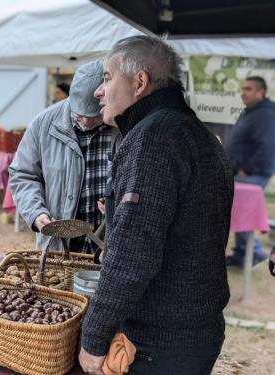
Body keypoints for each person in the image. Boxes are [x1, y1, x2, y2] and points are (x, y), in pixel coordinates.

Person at [79, 36, 234, 375]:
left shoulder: (153, 138)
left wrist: (93, 338)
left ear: (140, 82)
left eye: (107, 78)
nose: (98, 91)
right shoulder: (197, 132)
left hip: (163, 340)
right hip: (194, 329)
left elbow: (134, 254)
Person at [9, 61, 112, 254]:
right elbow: (23, 174)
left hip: (108, 248)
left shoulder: (121, 126)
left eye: (94, 115)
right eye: (79, 114)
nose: (87, 121)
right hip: (60, 249)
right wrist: (36, 212)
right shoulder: (43, 124)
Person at [225, 76, 275, 267]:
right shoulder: (252, 111)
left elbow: (269, 147)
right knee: (240, 209)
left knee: (243, 208)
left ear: (260, 92)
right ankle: (245, 252)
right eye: (242, 88)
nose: (243, 92)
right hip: (243, 171)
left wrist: (248, 169)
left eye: (248, 89)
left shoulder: (266, 115)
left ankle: (251, 253)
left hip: (254, 173)